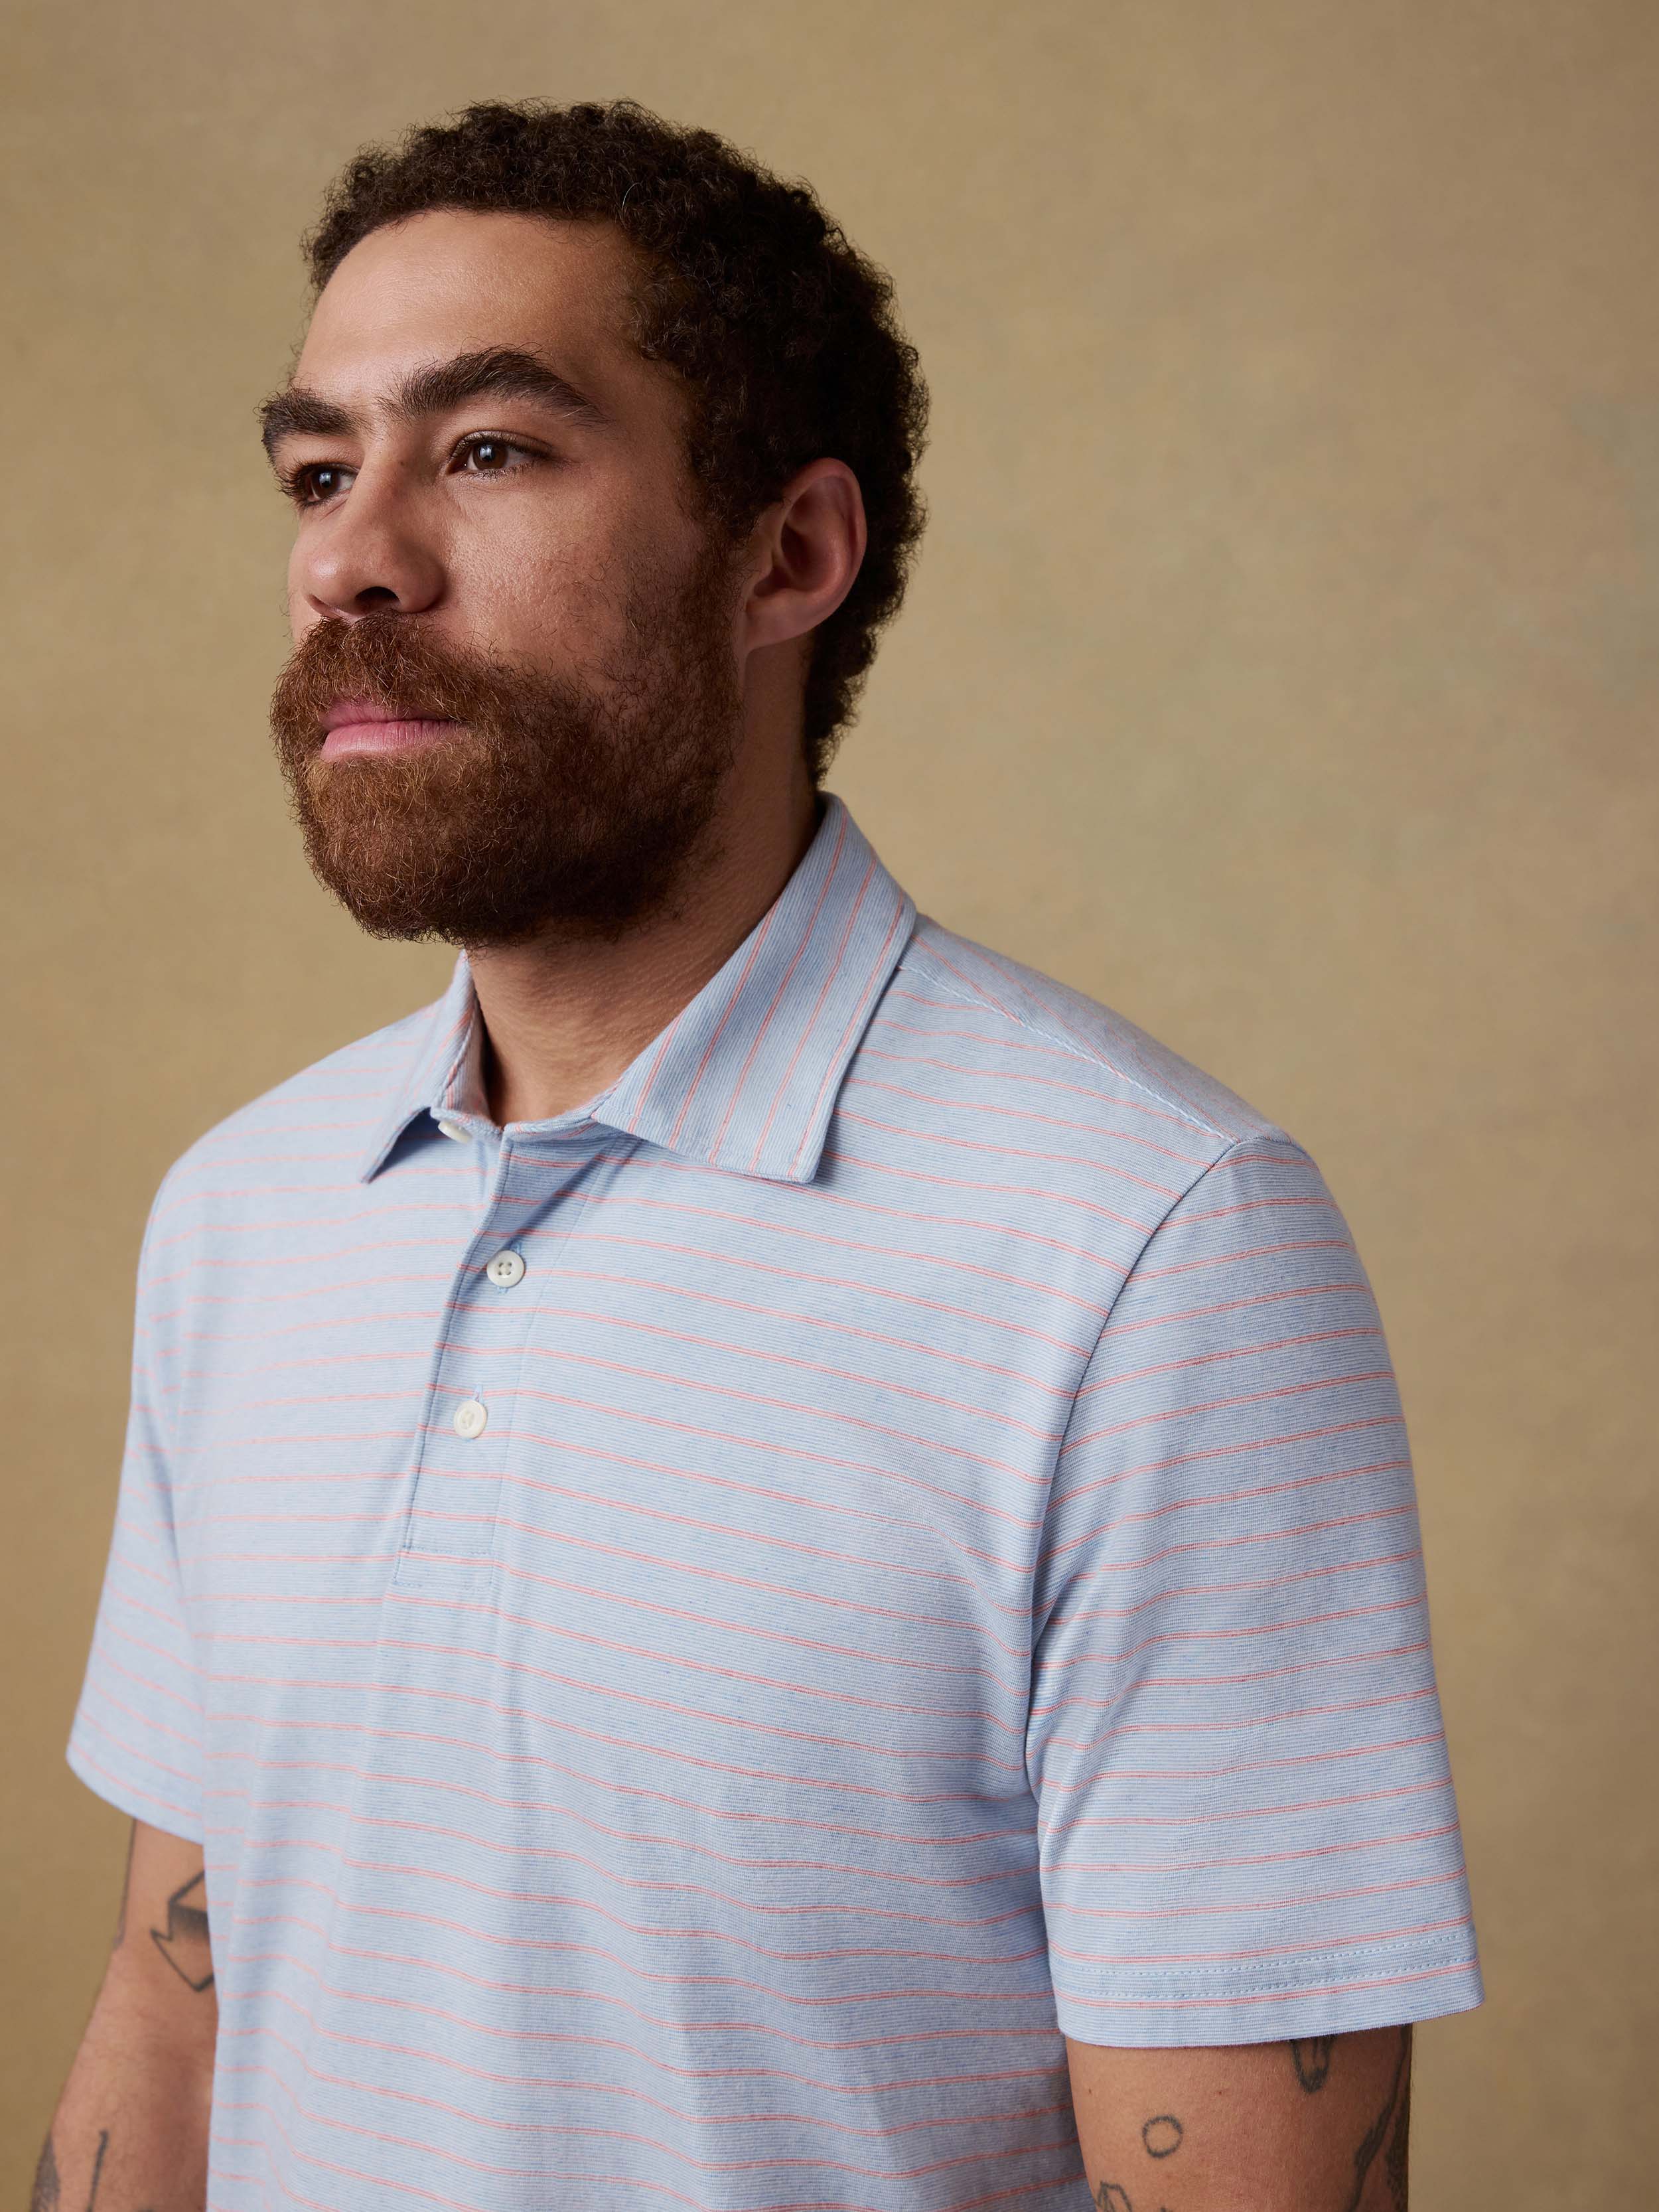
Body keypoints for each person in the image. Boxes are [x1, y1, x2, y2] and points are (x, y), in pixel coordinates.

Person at [39, 98, 1480, 2212]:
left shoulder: (1149, 1252)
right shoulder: (243, 1217)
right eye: (320, 469)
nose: (352, 553)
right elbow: (182, 1998)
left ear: (786, 555)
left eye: (493, 450)